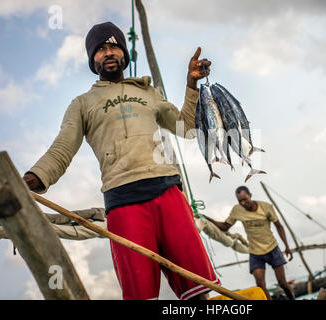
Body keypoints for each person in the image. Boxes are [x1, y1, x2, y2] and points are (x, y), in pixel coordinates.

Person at [22, 22, 219, 300]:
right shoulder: (82, 103)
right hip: (123, 203)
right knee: (140, 296)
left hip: (168, 193)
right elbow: (61, 149)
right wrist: (28, 180)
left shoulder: (148, 93)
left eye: (114, 46)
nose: (108, 52)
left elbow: (187, 127)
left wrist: (191, 84)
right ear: (93, 60)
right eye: (100, 49)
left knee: (199, 291)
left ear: (124, 54)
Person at [204, 186, 295, 300]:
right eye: (240, 201)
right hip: (255, 253)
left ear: (250, 195)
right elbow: (225, 227)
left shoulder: (266, 207)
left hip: (272, 249)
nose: (243, 203)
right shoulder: (237, 210)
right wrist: (206, 218)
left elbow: (279, 226)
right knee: (260, 286)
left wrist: (287, 246)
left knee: (282, 283)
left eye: (245, 199)